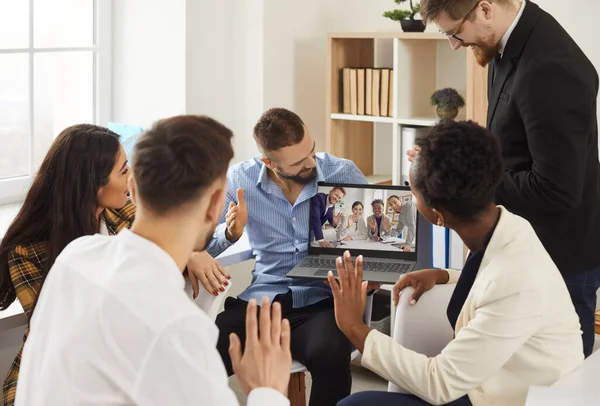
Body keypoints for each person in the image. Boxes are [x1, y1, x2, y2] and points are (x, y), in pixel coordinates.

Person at [15, 115, 292, 405]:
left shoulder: (74, 257)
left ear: (133, 189)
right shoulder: (176, 328)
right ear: (215, 205)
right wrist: (267, 390)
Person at [330, 120, 583, 406]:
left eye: (413, 194)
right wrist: (446, 275)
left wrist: (354, 327)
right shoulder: (507, 226)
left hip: (516, 398)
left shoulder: (515, 281)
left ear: (438, 215)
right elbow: (491, 278)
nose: (411, 200)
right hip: (488, 380)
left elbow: (440, 382)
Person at [415, 0, 600, 358]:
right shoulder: (503, 42)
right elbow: (511, 143)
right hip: (519, 239)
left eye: (454, 33)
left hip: (558, 254)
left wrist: (464, 179)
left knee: (552, 386)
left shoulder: (550, 69)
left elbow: (556, 189)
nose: (455, 44)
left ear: (485, 9)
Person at [206, 107, 374, 406]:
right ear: (268, 162)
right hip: (261, 303)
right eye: (299, 162)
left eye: (311, 150)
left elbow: (375, 244)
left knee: (331, 355)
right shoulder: (239, 180)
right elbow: (201, 246)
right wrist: (229, 234)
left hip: (323, 302)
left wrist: (369, 276)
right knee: (201, 357)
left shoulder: (342, 171)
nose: (311, 163)